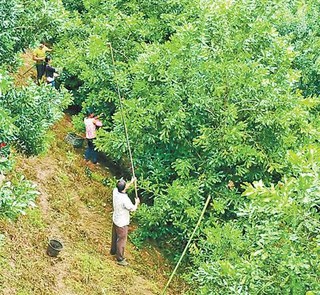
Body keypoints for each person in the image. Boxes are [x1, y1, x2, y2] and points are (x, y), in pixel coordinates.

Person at [110, 177, 140, 266]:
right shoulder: (125, 200)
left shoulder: (115, 191)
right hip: (122, 223)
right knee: (121, 240)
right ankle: (120, 259)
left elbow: (123, 188)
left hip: (115, 219)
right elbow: (133, 209)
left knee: (115, 237)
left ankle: (113, 251)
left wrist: (131, 182)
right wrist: (137, 203)